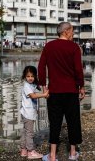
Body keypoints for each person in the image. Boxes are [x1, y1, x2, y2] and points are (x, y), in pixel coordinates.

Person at [38, 22, 85, 161]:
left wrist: (43, 85)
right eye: (72, 31)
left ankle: (52, 156)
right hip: (71, 91)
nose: (73, 34)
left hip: (54, 92)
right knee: (73, 121)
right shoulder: (74, 47)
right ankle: (72, 153)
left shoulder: (49, 46)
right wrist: (81, 86)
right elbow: (78, 69)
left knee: (55, 122)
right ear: (65, 31)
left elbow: (41, 66)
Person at [19, 66, 49, 159]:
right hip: (28, 114)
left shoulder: (31, 84)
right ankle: (31, 151)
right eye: (28, 76)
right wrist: (44, 95)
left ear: (35, 76)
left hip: (27, 112)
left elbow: (37, 88)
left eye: (32, 76)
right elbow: (32, 96)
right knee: (30, 133)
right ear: (24, 76)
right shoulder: (26, 86)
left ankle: (23, 150)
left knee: (25, 131)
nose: (30, 78)